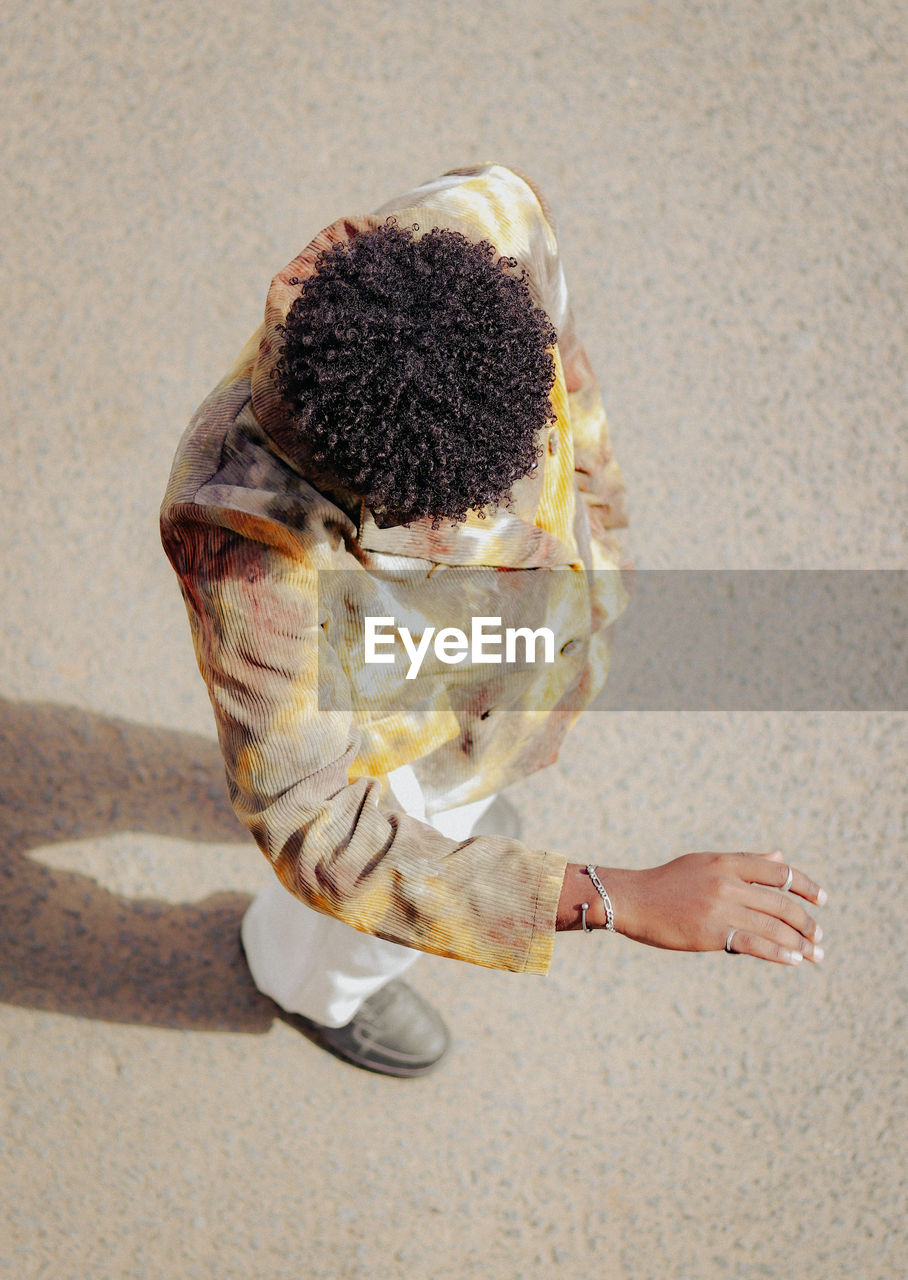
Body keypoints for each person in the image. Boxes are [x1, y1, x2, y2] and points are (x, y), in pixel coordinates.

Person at [161, 163, 825, 1077]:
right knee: (390, 869)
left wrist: (604, 526)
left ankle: (460, 800)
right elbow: (313, 820)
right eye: (451, 525)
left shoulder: (488, 220)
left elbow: (572, 384)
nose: (507, 514)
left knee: (463, 803)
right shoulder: (247, 535)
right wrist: (609, 896)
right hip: (397, 710)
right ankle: (308, 983)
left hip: (497, 670)